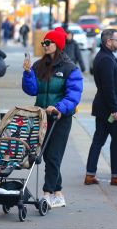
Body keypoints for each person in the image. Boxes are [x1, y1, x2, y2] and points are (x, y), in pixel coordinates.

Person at [22, 27, 83, 208]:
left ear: (58, 45)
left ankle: (47, 193)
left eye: (48, 42)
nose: (45, 45)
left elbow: (74, 95)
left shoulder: (70, 69)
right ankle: (59, 193)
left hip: (59, 118)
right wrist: (27, 73)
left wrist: (58, 108)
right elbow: (32, 90)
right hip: (41, 116)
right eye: (43, 42)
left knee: (54, 155)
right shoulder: (39, 65)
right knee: (47, 155)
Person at [84, 29, 117, 186]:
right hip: (110, 109)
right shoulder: (106, 60)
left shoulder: (105, 57)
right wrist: (115, 109)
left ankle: (90, 174)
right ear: (108, 42)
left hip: (104, 107)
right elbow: (108, 88)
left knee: (99, 140)